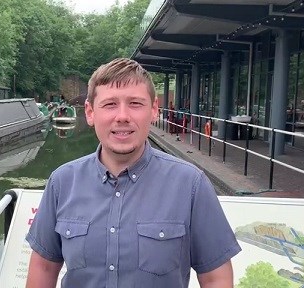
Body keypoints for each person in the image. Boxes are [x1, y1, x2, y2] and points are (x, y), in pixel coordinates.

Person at [25, 58, 241, 288]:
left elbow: (216, 277)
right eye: (110, 105)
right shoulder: (62, 182)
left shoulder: (190, 185)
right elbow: (44, 266)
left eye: (135, 104)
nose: (122, 116)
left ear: (154, 110)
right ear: (90, 113)